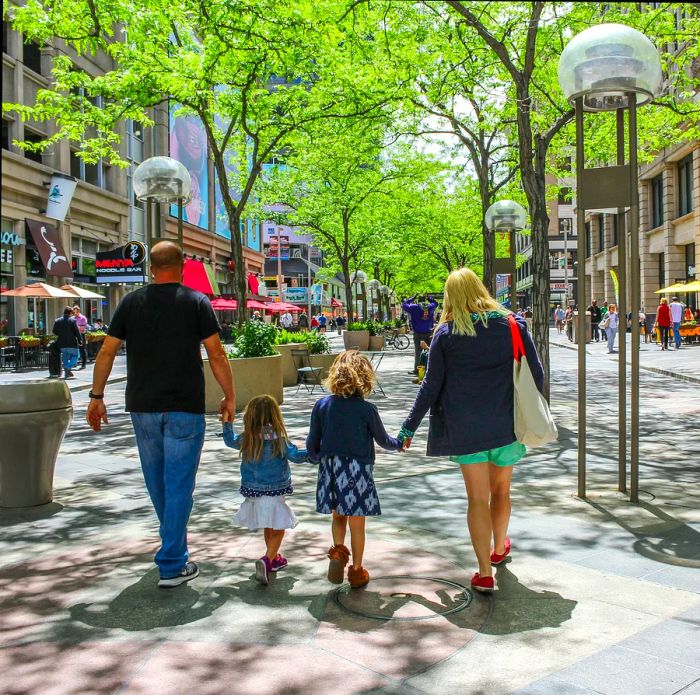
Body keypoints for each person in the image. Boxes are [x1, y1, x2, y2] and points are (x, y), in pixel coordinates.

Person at [86, 241, 235, 588]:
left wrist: (96, 396)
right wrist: (229, 396)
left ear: (151, 268)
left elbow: (107, 351)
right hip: (184, 405)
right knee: (179, 484)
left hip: (143, 406)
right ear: (182, 266)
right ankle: (171, 562)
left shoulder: (130, 302)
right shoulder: (197, 301)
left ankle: (174, 550)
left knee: (159, 484)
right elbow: (217, 355)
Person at [399, 268, 544, 594]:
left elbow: (430, 387)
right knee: (502, 491)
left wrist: (408, 427)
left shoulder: (446, 333)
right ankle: (498, 549)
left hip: (465, 429)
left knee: (477, 499)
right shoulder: (512, 325)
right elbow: (537, 374)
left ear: (451, 297)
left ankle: (483, 572)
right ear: (481, 290)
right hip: (507, 425)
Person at [306, 350, 404, 589]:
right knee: (357, 524)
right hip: (357, 469)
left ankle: (338, 552)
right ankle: (357, 571)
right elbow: (383, 440)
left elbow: (312, 443)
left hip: (331, 467)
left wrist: (315, 456)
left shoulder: (322, 405)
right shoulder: (367, 410)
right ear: (365, 377)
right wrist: (399, 443)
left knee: (338, 515)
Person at [222, 395, 309, 585]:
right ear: (275, 416)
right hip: (275, 491)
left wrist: (227, 422)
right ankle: (266, 560)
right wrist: (315, 454)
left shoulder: (247, 438)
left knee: (269, 525)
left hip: (253, 490)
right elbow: (296, 456)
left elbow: (229, 441)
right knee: (278, 529)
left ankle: (274, 557)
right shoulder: (279, 439)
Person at [402, 294, 438, 375]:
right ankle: (429, 369)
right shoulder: (430, 306)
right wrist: (429, 298)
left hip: (418, 333)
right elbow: (436, 303)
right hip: (429, 333)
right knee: (429, 351)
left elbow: (404, 305)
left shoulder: (414, 307)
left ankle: (417, 370)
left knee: (418, 352)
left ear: (418, 300)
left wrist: (412, 298)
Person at [52, 306, 81, 379]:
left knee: (65, 356)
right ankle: (67, 367)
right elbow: (77, 332)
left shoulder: (57, 321)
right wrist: (80, 340)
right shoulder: (72, 321)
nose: (73, 314)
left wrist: (61, 333)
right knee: (76, 356)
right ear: (70, 313)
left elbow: (54, 331)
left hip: (61, 343)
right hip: (72, 343)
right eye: (73, 313)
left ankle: (66, 374)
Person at [72, 305, 88, 369]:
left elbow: (84, 327)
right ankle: (74, 363)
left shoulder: (83, 318)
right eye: (74, 312)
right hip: (74, 335)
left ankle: (83, 364)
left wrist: (78, 328)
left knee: (82, 349)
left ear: (78, 311)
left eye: (76, 312)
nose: (75, 313)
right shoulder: (72, 318)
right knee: (74, 349)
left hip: (81, 334)